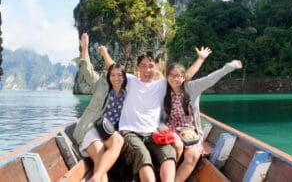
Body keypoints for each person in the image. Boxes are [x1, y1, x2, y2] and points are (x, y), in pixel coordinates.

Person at [100, 46, 212, 182]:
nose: (147, 70)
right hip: (130, 132)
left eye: (151, 66)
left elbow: (184, 76)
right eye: (143, 66)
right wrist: (105, 53)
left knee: (169, 154)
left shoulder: (162, 84)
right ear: (138, 68)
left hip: (154, 133)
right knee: (143, 156)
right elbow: (113, 67)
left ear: (156, 68)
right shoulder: (129, 81)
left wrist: (200, 59)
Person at [162, 59, 242, 182]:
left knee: (193, 155)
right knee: (175, 147)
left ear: (184, 77)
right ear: (166, 77)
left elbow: (211, 78)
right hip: (170, 128)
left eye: (178, 76)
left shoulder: (192, 87)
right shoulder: (162, 90)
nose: (174, 79)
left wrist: (229, 67)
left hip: (190, 130)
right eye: (171, 75)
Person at [72, 33, 126, 182]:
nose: (116, 78)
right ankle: (97, 179)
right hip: (90, 128)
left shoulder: (126, 92)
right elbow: (86, 69)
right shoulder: (100, 84)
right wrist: (85, 48)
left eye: (119, 75)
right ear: (108, 76)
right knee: (100, 154)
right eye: (112, 75)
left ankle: (94, 178)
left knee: (119, 141)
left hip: (108, 131)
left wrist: (105, 54)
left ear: (124, 77)